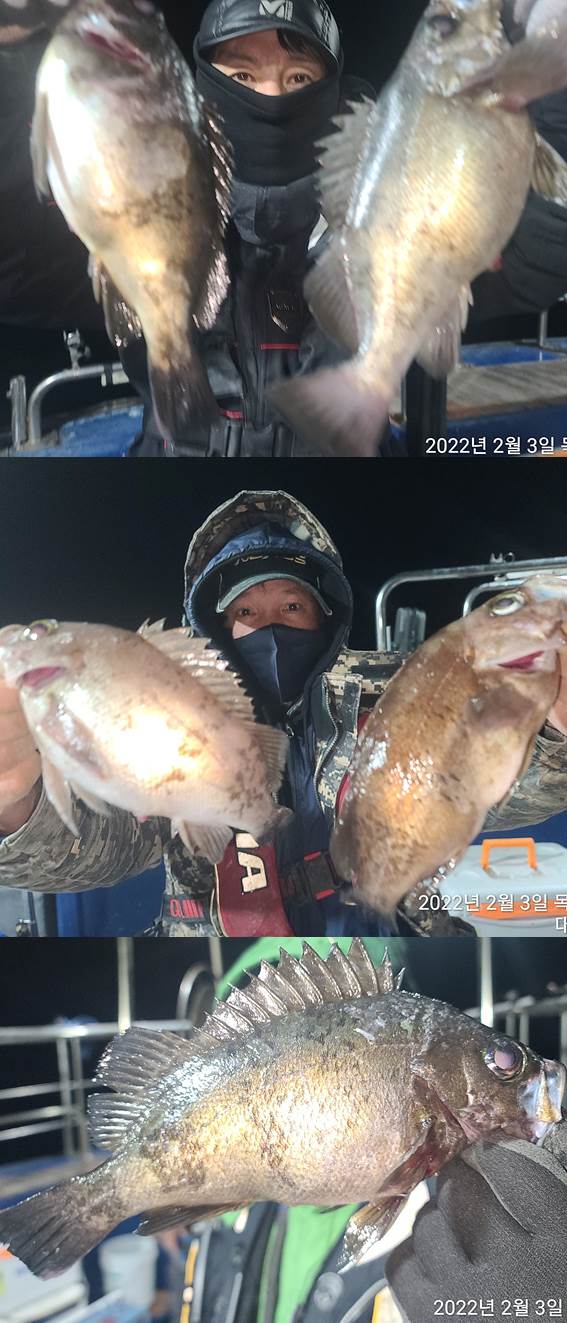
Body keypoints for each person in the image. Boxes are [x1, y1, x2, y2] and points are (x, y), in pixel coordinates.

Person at [2, 489, 567, 937]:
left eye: (292, 605)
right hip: (236, 971)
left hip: (390, 942)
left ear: (326, 615)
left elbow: (495, 782)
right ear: (217, 628)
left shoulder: (396, 687)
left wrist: (554, 735)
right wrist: (15, 803)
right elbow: (103, 847)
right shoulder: (166, 708)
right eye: (246, 612)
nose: (269, 627)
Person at [123, 0, 385, 457]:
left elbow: (518, 264)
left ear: (332, 90)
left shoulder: (387, 209)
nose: (271, 97)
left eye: (298, 78)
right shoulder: (137, 192)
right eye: (243, 76)